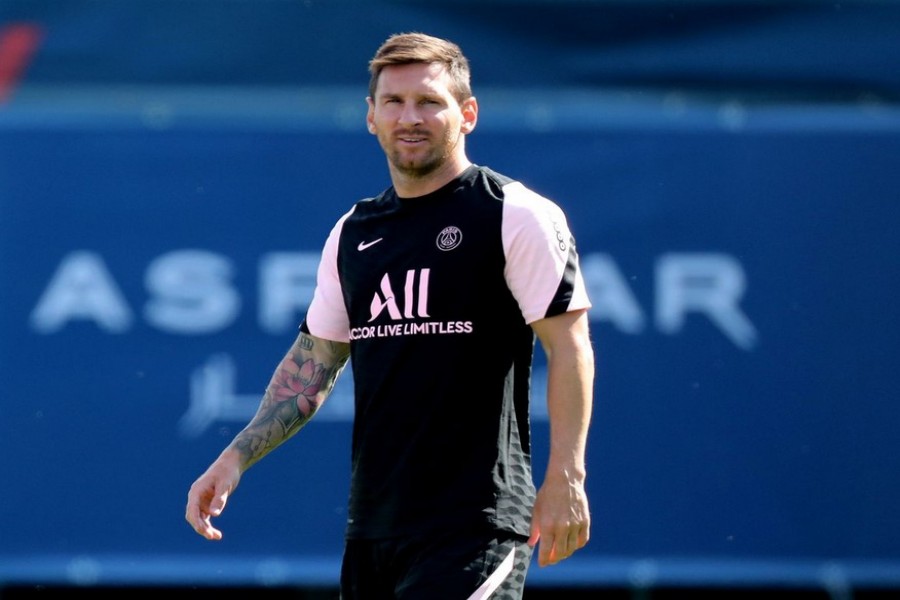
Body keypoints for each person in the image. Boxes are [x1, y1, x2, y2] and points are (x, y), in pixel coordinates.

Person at [185, 31, 595, 599]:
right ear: (371, 117)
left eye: (430, 102)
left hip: (476, 524)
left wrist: (566, 478)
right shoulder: (354, 232)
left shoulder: (514, 214)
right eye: (394, 103)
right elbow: (315, 362)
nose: (411, 118)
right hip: (374, 527)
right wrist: (234, 458)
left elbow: (570, 345)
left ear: (467, 114)